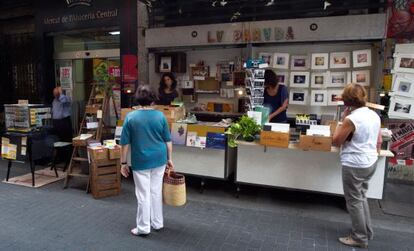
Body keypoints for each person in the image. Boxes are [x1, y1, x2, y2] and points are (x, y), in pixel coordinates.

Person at [120, 85, 174, 237]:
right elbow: (168, 141)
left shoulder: (131, 117)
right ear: (153, 99)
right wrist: (170, 159)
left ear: (138, 98)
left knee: (143, 194)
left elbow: (124, 144)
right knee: (156, 191)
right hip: (160, 158)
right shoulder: (160, 116)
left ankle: (143, 227)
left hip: (141, 160)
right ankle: (157, 222)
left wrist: (123, 163)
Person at [333, 83, 382, 249]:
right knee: (361, 197)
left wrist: (341, 121)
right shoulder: (373, 115)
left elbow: (337, 141)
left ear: (346, 100)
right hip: (370, 161)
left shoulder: (351, 118)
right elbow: (377, 140)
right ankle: (366, 232)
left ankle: (359, 237)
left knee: (353, 201)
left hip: (354, 163)